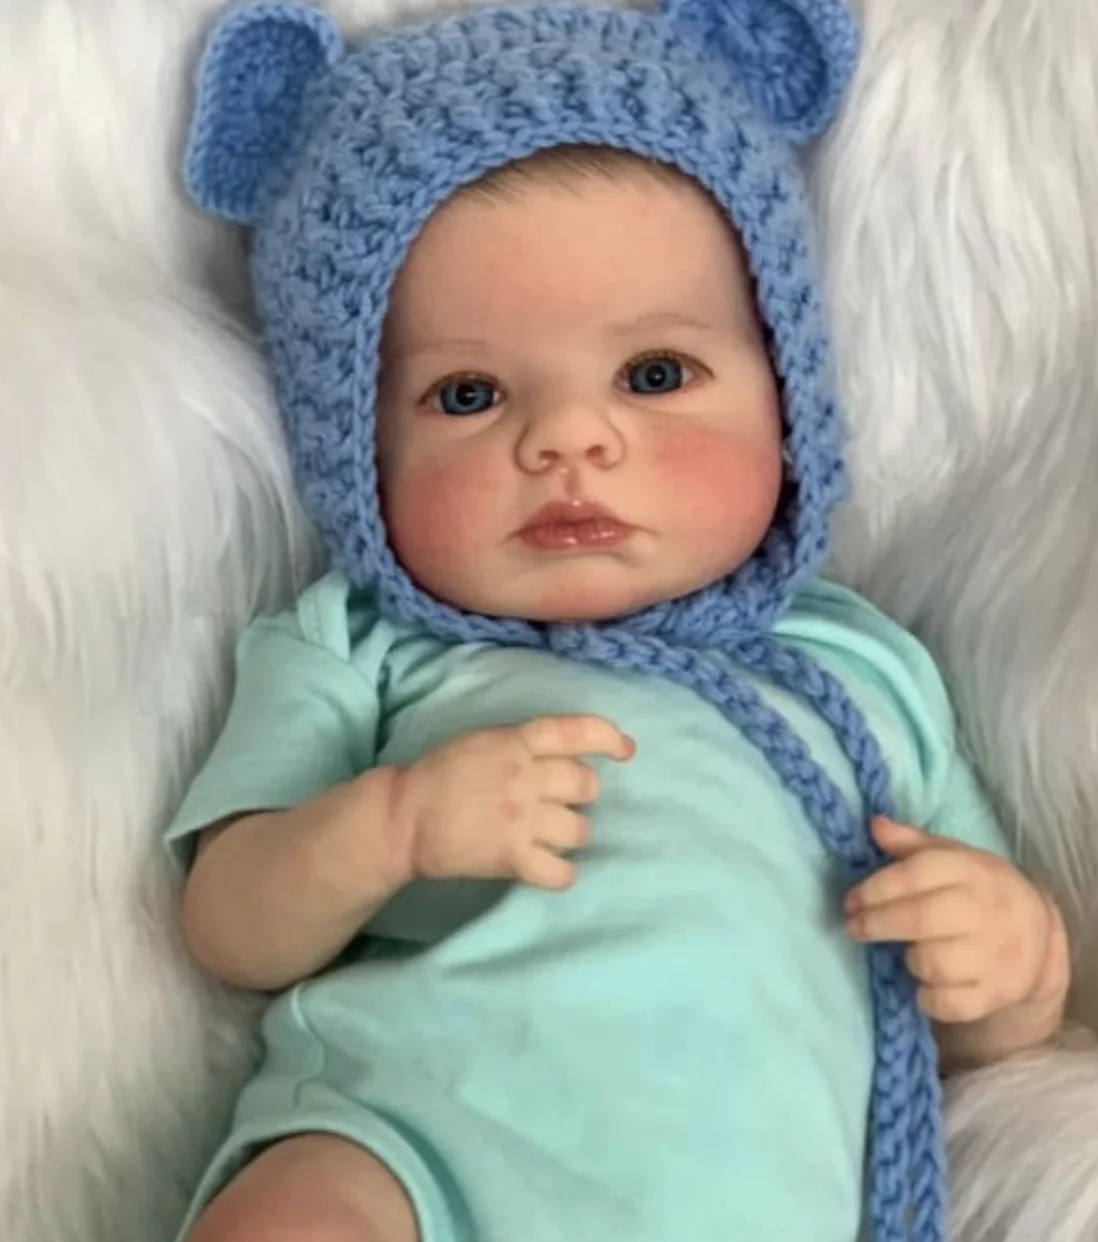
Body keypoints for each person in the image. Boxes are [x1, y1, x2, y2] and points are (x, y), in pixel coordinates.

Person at [169, 2, 1069, 1240]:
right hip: (413, 1142)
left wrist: (1008, 962)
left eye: (653, 375)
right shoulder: (363, 647)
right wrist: (391, 828)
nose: (569, 441)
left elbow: (979, 1020)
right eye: (469, 394)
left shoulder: (860, 671)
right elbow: (230, 926)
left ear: (787, 391)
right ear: (351, 447)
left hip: (743, 1201)